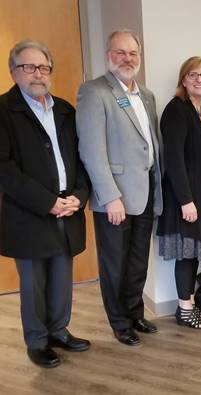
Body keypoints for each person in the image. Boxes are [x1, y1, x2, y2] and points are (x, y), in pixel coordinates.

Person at [0, 40, 91, 367]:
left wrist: (78, 197)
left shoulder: (65, 110)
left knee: (61, 277)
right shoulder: (3, 111)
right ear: (14, 71)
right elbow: (5, 170)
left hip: (68, 208)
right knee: (34, 283)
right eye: (28, 66)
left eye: (43, 67)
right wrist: (48, 202)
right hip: (29, 213)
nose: (37, 73)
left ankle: (59, 331)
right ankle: (37, 341)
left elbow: (83, 160)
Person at [76, 29, 163, 346]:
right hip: (115, 197)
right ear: (107, 54)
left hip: (146, 191)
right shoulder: (94, 92)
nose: (127, 59)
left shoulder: (147, 96)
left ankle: (135, 312)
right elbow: (91, 150)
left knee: (139, 260)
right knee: (115, 263)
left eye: (133, 53)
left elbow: (150, 144)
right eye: (120, 52)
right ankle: (118, 321)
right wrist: (110, 196)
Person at [157, 56, 201, 329]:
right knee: (187, 252)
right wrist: (186, 200)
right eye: (194, 74)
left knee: (196, 251)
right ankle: (184, 308)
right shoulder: (176, 110)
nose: (200, 79)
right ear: (183, 79)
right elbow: (173, 158)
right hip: (186, 195)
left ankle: (189, 304)